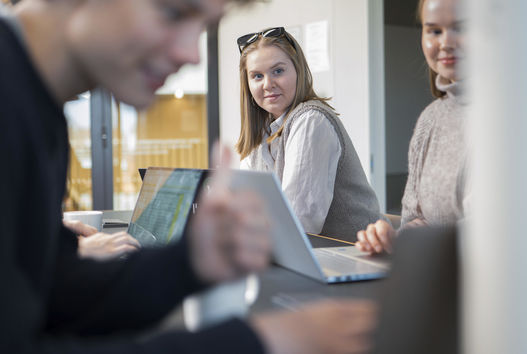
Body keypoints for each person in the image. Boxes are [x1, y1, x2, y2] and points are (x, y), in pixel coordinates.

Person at [0, 1, 377, 353]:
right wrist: (259, 340)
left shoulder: (38, 112)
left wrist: (189, 261)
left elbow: (50, 296)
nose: (191, 54)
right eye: (172, 11)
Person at [237, 27, 382, 241]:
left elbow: (297, 222)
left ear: (298, 71)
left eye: (278, 71)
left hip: (358, 261)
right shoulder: (262, 135)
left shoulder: (311, 121)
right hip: (308, 260)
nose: (268, 84)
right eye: (257, 76)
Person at [356, 0, 467, 254]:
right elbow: (417, 218)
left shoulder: (518, 118)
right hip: (436, 277)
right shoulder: (431, 119)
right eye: (434, 30)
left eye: (461, 28)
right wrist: (393, 239)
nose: (445, 43)